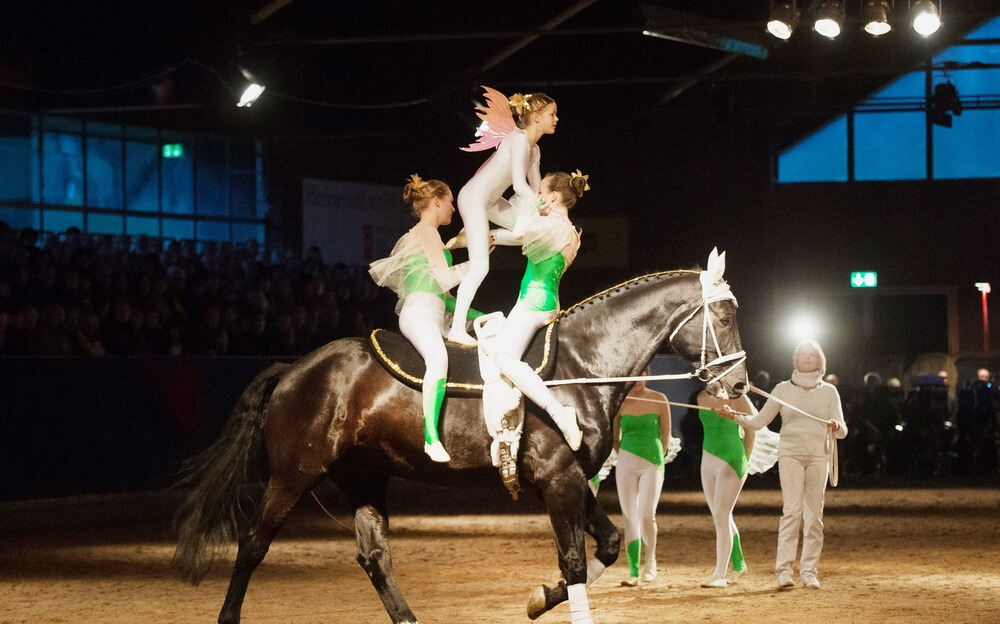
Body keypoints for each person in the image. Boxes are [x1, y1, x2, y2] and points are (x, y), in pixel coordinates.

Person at [723, 339, 847, 590]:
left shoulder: (829, 391)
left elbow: (842, 431)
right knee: (792, 511)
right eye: (803, 355)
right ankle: (784, 572)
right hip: (790, 455)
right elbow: (758, 422)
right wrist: (733, 415)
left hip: (818, 457)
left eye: (812, 354)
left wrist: (836, 426)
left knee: (814, 516)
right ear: (796, 360)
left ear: (820, 360)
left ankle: (810, 572)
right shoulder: (781, 389)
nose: (807, 358)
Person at [369, 175, 472, 463]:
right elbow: (444, 279)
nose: (453, 209)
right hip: (420, 312)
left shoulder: (431, 237)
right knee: (438, 360)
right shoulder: (425, 233)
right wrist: (476, 262)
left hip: (437, 311)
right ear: (436, 201)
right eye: (450, 202)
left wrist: (484, 314)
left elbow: (449, 298)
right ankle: (430, 438)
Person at [482, 171, 585, 451]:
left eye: (541, 192)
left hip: (535, 302)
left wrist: (528, 210)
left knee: (503, 357)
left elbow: (520, 231)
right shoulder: (568, 230)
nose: (537, 197)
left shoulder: (555, 225)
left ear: (553, 196)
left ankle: (559, 413)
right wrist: (489, 237)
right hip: (539, 300)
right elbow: (519, 238)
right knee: (498, 356)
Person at [446, 91, 558, 346]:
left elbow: (536, 186)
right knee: (480, 266)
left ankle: (488, 236)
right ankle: (456, 329)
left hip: (492, 202)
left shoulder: (535, 149)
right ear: (536, 117)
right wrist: (540, 207)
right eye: (552, 114)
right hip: (474, 199)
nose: (556, 119)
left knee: (531, 234)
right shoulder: (518, 139)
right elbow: (519, 185)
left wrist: (547, 208)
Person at [613, 373, 670, 586]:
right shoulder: (620, 401)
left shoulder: (659, 398)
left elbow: (665, 436)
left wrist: (656, 457)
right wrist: (626, 455)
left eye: (641, 376)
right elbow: (614, 438)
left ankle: (650, 562)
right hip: (626, 460)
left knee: (646, 514)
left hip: (652, 460)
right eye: (633, 377)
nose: (637, 381)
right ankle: (633, 571)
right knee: (629, 516)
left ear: (647, 376)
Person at [697, 389, 756, 588]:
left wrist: (745, 458)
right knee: (720, 516)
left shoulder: (739, 397)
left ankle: (719, 574)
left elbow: (752, 428)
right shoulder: (701, 397)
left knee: (722, 515)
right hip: (708, 459)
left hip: (732, 458)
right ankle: (739, 564)